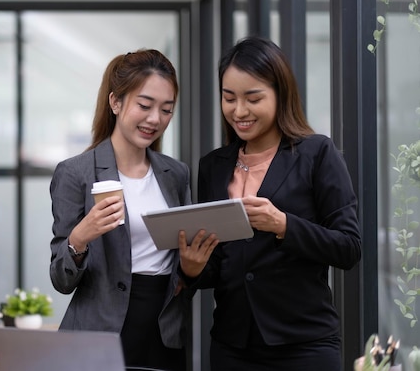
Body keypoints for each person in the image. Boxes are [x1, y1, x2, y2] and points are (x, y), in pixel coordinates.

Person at [178, 36, 362, 370]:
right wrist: (192, 269)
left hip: (304, 346)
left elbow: (349, 247)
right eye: (229, 98)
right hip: (232, 346)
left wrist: (283, 224)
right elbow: (220, 263)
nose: (239, 111)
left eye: (253, 98)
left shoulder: (317, 153)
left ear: (280, 94)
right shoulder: (213, 166)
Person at [49, 48, 218, 371]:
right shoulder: (76, 173)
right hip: (98, 332)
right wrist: (80, 238)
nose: (155, 119)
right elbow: (61, 279)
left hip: (163, 331)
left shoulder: (176, 173)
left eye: (167, 109)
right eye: (144, 105)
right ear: (115, 102)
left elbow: (184, 268)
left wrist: (191, 269)